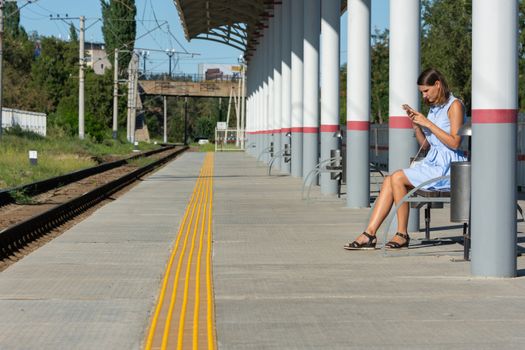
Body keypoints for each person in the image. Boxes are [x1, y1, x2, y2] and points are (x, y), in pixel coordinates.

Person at [344, 68, 467, 250]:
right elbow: (426, 146)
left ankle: (402, 234)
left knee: (398, 177)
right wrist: (416, 125)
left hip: (448, 167)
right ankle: (369, 233)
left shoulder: (454, 105)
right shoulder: (434, 108)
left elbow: (456, 142)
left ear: (437, 85)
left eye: (426, 91)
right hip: (433, 161)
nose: (424, 96)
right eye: (421, 92)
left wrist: (428, 123)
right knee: (389, 180)